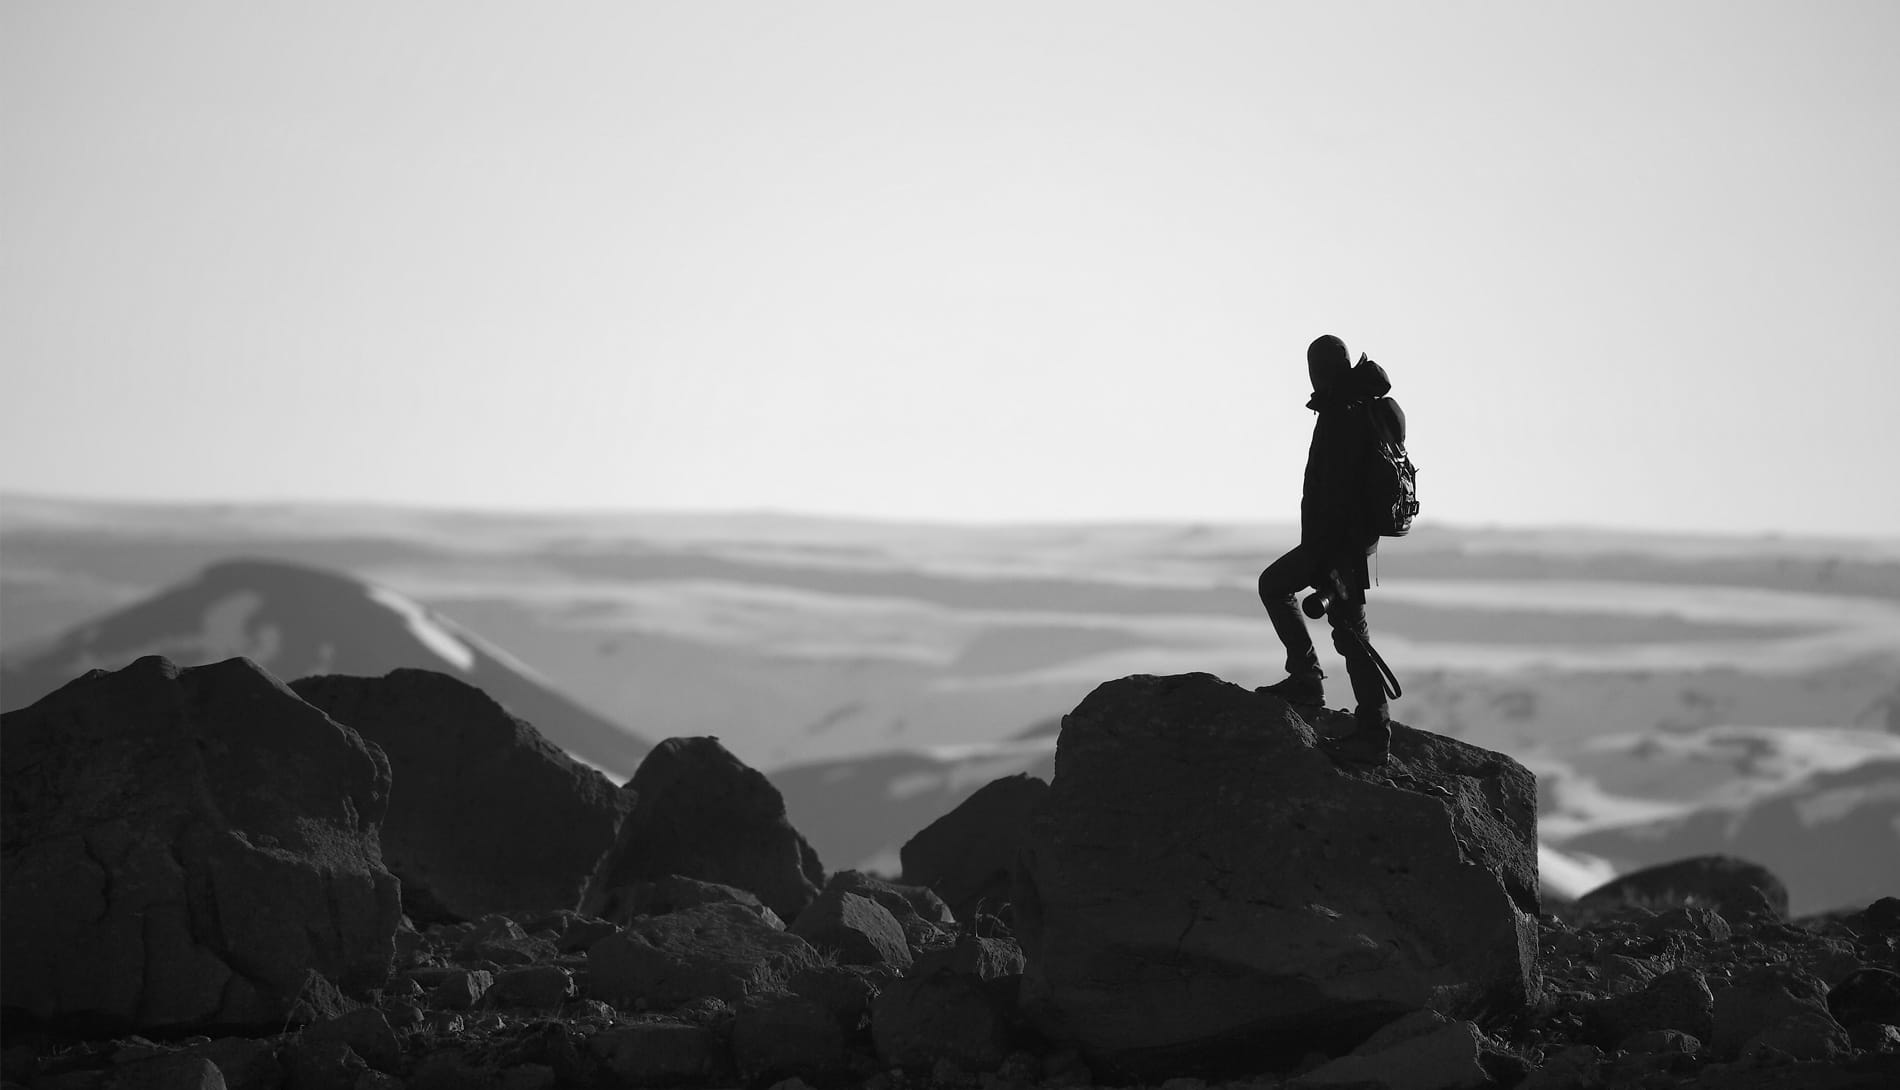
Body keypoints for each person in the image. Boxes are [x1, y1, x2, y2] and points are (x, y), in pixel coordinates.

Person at [1257, 333, 1403, 765]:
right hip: (1349, 547)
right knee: (1350, 633)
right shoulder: (1359, 407)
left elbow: (1337, 495)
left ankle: (1368, 730)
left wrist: (1329, 558)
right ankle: (1319, 688)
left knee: (1346, 632)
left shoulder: (1345, 414)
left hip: (1337, 548)